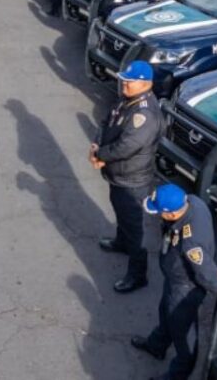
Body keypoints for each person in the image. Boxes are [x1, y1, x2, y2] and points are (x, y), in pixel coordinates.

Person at [131, 183, 217, 380]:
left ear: (172, 214)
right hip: (174, 280)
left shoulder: (190, 243)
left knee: (182, 337)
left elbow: (208, 275)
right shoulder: (193, 202)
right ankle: (156, 345)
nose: (157, 216)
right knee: (165, 314)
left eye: (160, 213)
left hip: (184, 290)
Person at [90, 60, 162, 294]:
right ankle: (121, 242)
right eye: (125, 81)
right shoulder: (126, 98)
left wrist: (101, 155)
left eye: (130, 82)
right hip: (119, 174)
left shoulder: (145, 114)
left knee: (135, 228)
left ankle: (137, 274)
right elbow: (107, 121)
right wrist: (97, 142)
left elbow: (126, 146)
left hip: (132, 179)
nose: (124, 85)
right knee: (120, 212)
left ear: (145, 84)